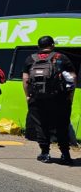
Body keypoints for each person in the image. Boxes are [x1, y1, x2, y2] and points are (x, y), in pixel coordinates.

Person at [22, 36, 76, 165]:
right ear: (52, 45)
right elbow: (73, 77)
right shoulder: (61, 57)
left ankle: (45, 154)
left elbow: (25, 79)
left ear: (38, 46)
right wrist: (70, 96)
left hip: (37, 99)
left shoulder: (31, 59)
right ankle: (65, 155)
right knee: (61, 125)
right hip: (60, 98)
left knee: (41, 125)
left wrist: (28, 96)